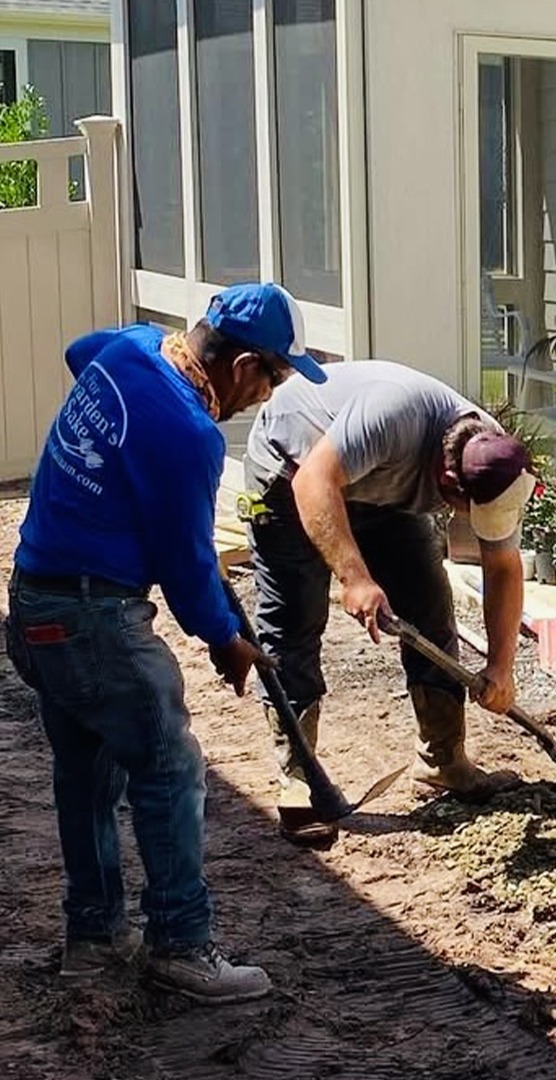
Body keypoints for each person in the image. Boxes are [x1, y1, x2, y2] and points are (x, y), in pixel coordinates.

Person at [6, 282, 329, 1003]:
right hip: (95, 619)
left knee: (85, 773)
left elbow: (78, 350)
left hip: (34, 603)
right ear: (244, 365)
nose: (265, 398)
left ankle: (92, 938)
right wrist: (226, 640)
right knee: (170, 768)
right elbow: (187, 570)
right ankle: (181, 944)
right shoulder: (188, 436)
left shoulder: (133, 349)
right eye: (273, 379)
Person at [241, 359, 535, 840]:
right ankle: (298, 777)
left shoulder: (496, 460)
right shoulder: (393, 418)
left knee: (429, 603)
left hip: (378, 489)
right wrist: (355, 577)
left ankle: (443, 759)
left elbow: (503, 565)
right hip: (292, 469)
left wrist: (502, 666)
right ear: (447, 480)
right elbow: (314, 483)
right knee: (295, 619)